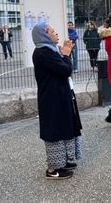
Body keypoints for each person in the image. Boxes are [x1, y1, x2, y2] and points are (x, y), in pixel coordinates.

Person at [32, 22, 83, 180]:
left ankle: (62, 162)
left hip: (58, 96)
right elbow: (65, 70)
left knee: (63, 127)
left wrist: (63, 53)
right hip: (51, 99)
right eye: (52, 31)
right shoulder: (43, 52)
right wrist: (66, 54)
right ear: (44, 35)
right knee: (55, 130)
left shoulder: (50, 50)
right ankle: (53, 169)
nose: (56, 33)